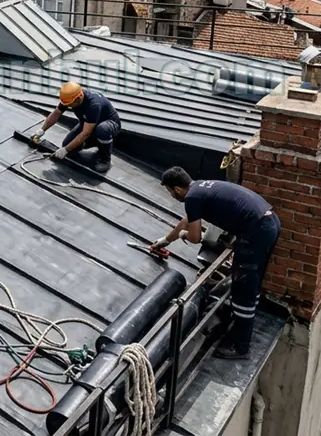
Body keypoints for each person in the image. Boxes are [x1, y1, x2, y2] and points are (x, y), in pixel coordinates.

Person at [151, 167, 281, 360]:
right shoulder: (202, 187)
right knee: (250, 283)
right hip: (269, 222)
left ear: (177, 189)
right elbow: (186, 221)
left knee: (243, 288)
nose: (171, 195)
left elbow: (194, 237)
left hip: (255, 232)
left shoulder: (192, 199)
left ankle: (241, 347)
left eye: (170, 191)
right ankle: (240, 330)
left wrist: (183, 235)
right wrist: (164, 241)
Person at [34, 81, 121, 173]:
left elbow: (85, 133)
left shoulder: (93, 105)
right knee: (67, 144)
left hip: (108, 124)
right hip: (88, 124)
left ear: (78, 99)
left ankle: (105, 159)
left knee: (102, 130)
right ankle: (94, 141)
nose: (68, 106)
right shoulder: (70, 97)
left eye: (70, 104)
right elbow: (56, 113)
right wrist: (41, 130)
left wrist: (65, 150)